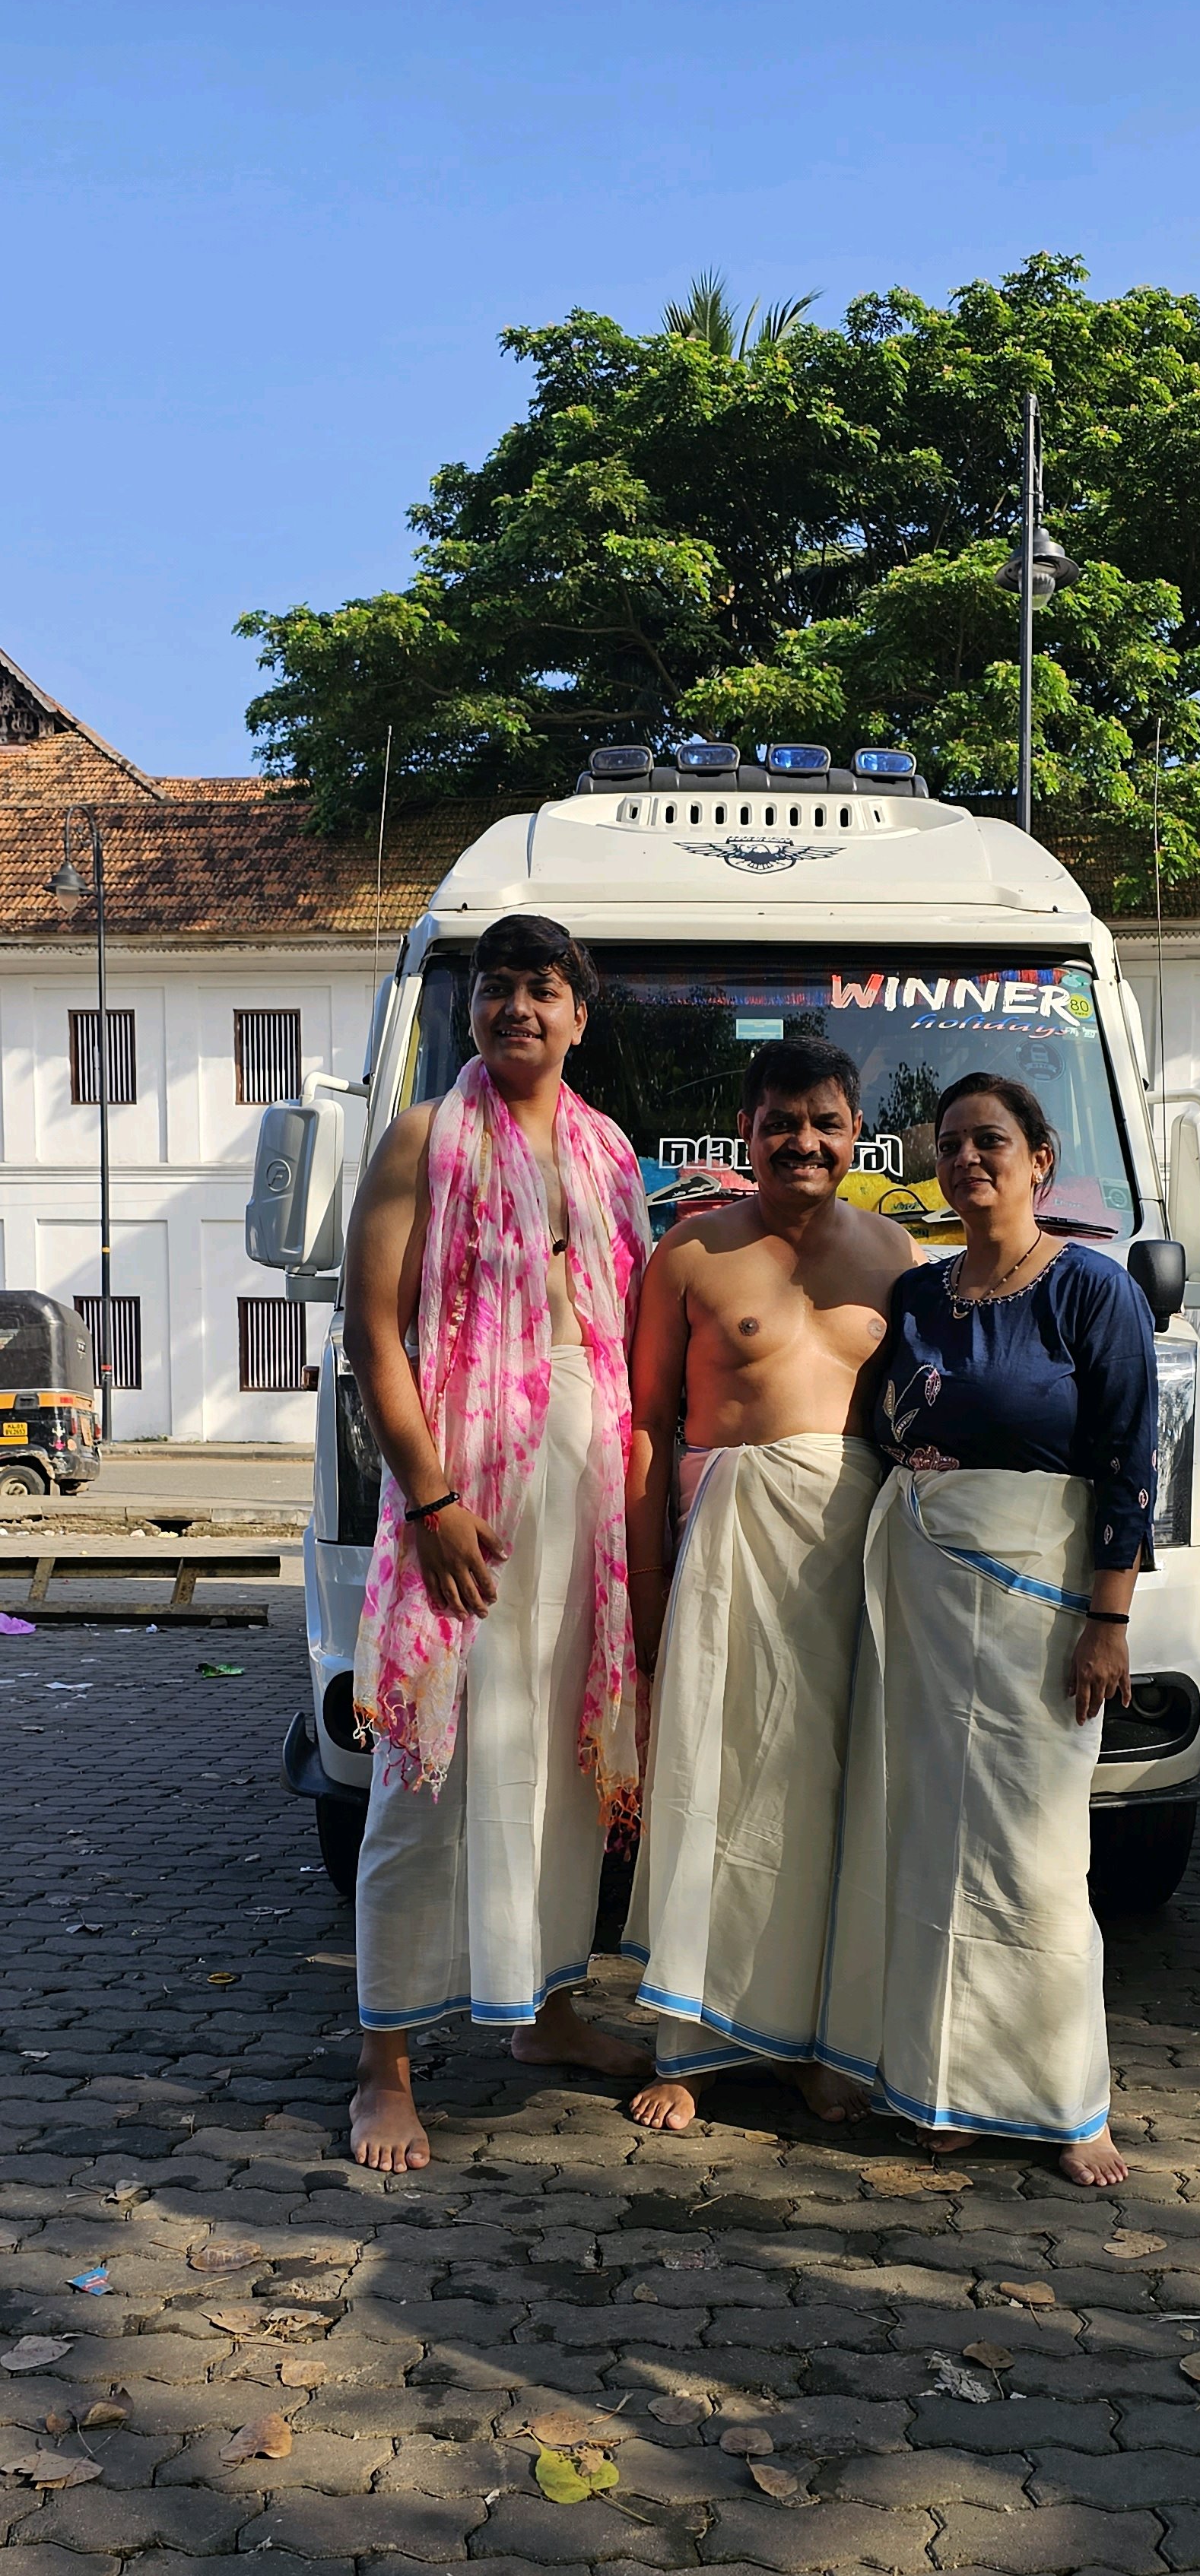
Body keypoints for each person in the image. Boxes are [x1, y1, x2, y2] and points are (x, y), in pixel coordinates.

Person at [344, 912, 651, 2172]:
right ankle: (384, 2071)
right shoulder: (423, 1136)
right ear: (471, 1008)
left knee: (563, 1769)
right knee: (428, 1779)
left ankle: (550, 2011)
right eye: (497, 987)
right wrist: (428, 1504)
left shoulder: (609, 1149)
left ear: (578, 1014)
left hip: (585, 1498)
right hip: (461, 1494)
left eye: (542, 988)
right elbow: (373, 1332)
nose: (517, 1006)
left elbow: (628, 1326)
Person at [817, 1071, 1157, 2187]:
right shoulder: (919, 1296)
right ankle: (947, 2085)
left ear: (1039, 1160)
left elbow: (1129, 1463)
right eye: (952, 1142)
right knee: (927, 1841)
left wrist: (1108, 1621)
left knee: (1036, 1854)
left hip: (1040, 1605)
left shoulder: (1093, 1290)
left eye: (991, 1141)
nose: (968, 1159)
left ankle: (1067, 2102)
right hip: (920, 1597)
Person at [624, 1034, 915, 2133]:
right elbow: (646, 1427)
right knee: (716, 1781)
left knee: (832, 1792)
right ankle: (692, 2044)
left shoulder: (895, 1253)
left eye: (825, 1122)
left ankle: (814, 2043)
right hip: (728, 1550)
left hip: (855, 1551)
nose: (804, 1142)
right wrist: (648, 1578)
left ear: (856, 1133)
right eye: (781, 1122)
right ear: (745, 1131)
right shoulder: (690, 1253)